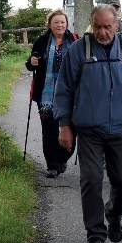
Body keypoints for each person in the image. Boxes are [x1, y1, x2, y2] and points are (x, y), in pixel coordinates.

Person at [53, 4, 122, 243]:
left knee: (121, 180)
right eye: (97, 26)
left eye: (107, 27)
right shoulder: (79, 50)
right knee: (91, 179)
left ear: (117, 25)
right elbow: (64, 89)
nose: (102, 32)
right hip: (89, 128)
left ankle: (114, 213)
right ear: (92, 25)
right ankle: (95, 233)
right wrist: (64, 124)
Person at [26, 9, 78, 178]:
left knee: (71, 128)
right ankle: (52, 165)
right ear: (49, 24)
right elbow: (31, 63)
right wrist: (31, 62)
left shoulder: (75, 41)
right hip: (46, 94)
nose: (59, 25)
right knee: (49, 130)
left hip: (71, 94)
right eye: (56, 22)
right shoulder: (41, 42)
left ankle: (63, 158)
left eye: (62, 22)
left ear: (67, 24)